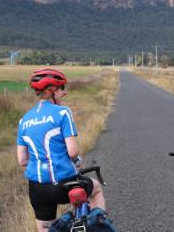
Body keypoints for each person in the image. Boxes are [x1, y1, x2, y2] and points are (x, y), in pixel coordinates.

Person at [17, 68, 106, 232]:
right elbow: (73, 152)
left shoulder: (24, 120)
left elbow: (22, 160)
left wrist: (42, 161)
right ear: (51, 90)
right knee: (96, 188)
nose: (63, 93)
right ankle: (97, 225)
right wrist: (77, 161)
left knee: (46, 228)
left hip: (37, 188)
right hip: (64, 185)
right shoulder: (63, 112)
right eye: (61, 89)